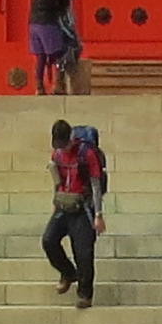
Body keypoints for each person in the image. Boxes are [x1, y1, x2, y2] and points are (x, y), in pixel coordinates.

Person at [41, 115, 107, 311]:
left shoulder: (86, 153)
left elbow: (95, 183)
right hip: (64, 204)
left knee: (84, 253)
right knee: (48, 241)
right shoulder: (57, 154)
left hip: (83, 206)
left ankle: (85, 293)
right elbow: (57, 179)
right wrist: (56, 200)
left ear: (71, 138)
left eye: (64, 143)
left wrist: (98, 215)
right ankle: (68, 272)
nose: (62, 148)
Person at [26, 0, 86, 94]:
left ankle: (39, 87)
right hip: (47, 23)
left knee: (41, 57)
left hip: (33, 23)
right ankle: (58, 86)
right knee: (59, 54)